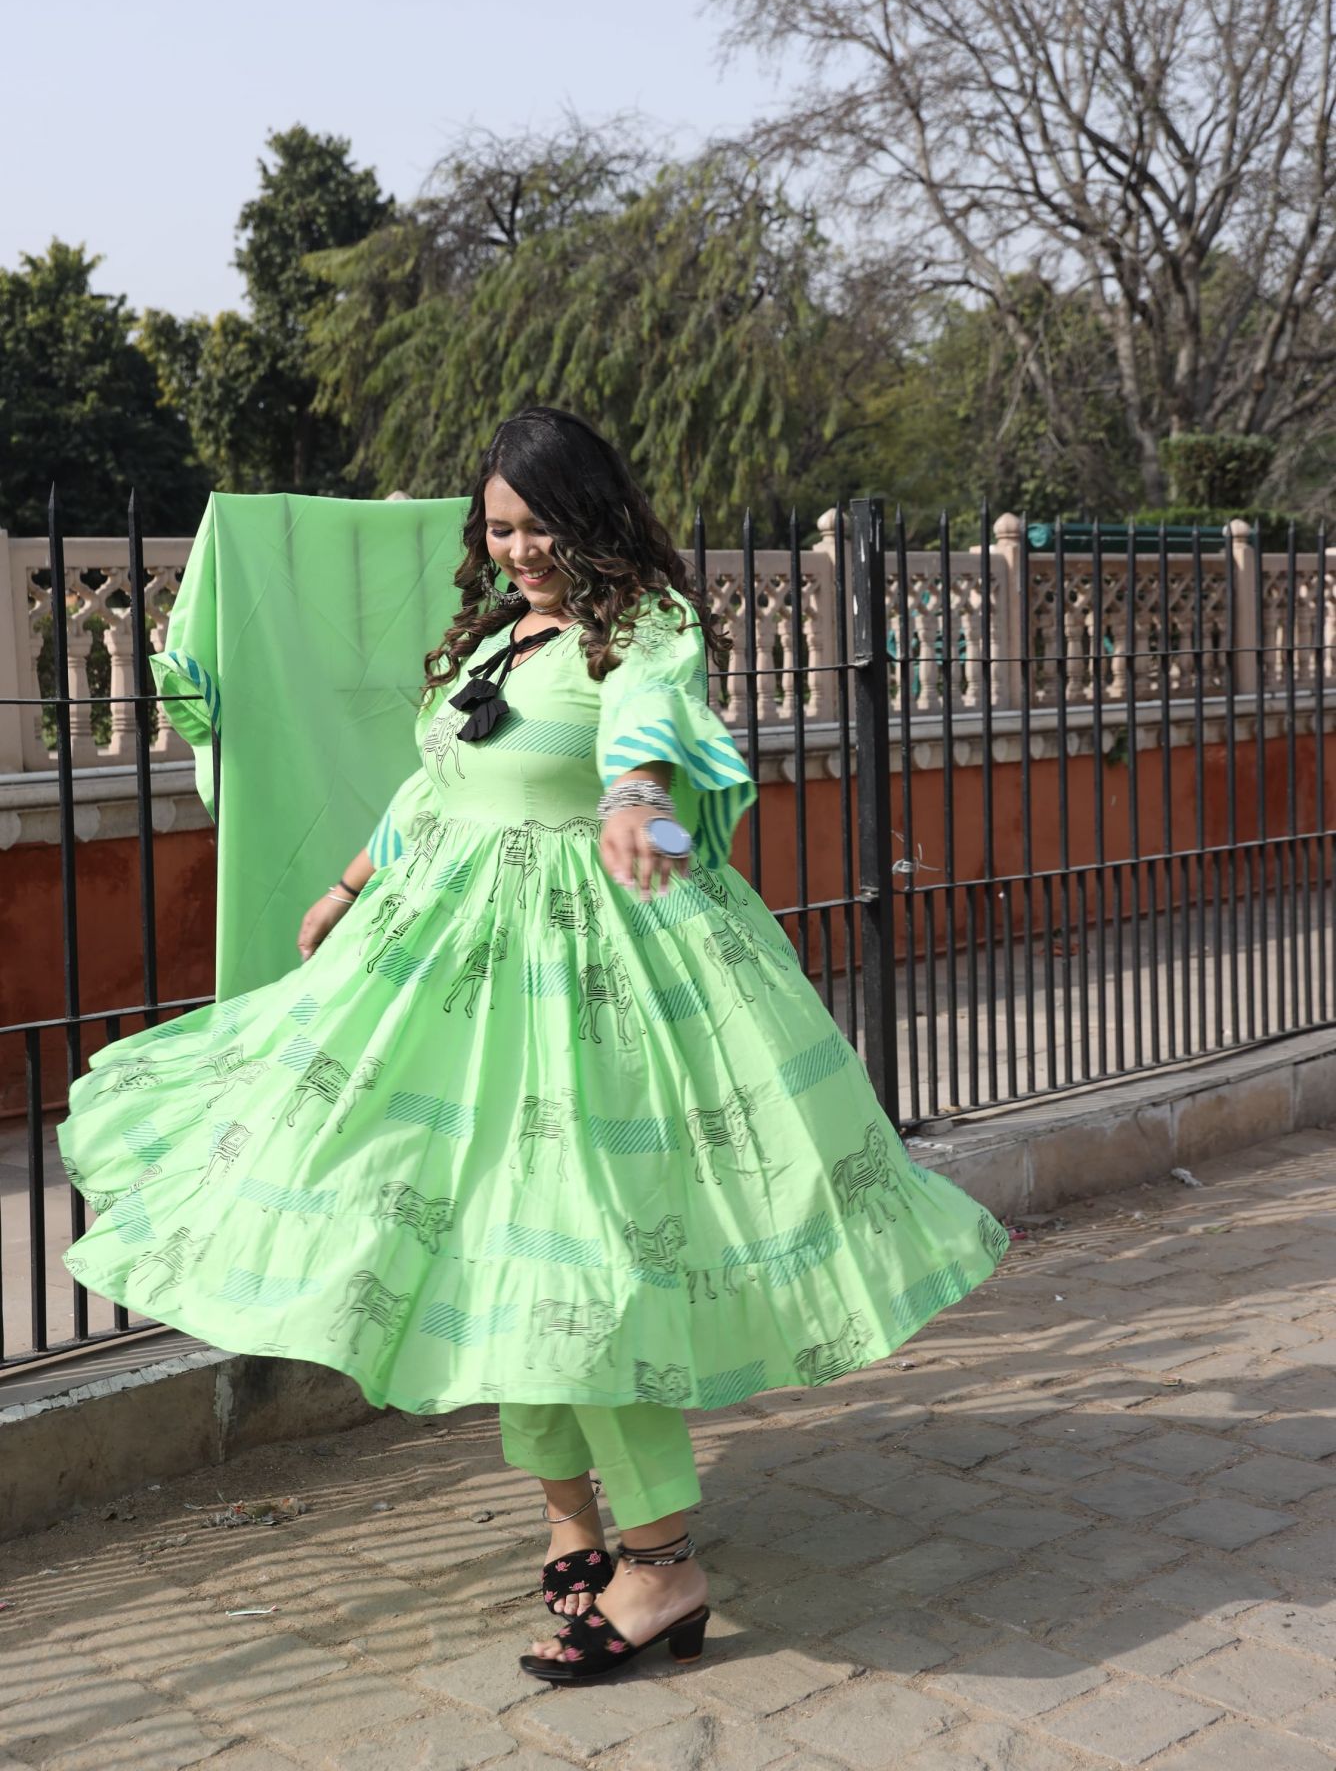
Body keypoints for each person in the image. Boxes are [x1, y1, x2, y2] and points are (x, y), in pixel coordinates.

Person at [57, 405, 1009, 1685]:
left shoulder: (647, 627)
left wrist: (632, 795)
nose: (517, 548)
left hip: (597, 985)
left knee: (586, 1263)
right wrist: (345, 885)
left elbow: (654, 729)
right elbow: (435, 788)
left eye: (536, 522)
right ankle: (576, 1531)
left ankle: (663, 1558)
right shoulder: (495, 639)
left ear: (591, 510)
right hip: (454, 985)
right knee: (500, 1255)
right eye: (497, 527)